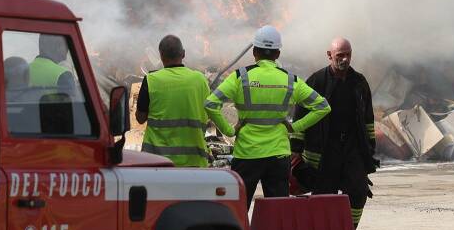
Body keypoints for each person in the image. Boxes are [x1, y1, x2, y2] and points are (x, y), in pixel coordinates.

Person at [206, 25, 331, 209]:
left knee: (238, 209)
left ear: (254, 52)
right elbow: (322, 107)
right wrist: (295, 126)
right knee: (278, 211)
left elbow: (210, 104)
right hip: (278, 155)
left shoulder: (241, 77)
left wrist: (229, 130)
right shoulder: (290, 80)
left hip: (247, 153)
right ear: (278, 54)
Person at [291, 37, 378, 230]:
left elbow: (368, 118)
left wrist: (369, 148)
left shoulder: (359, 82)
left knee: (358, 191)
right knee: (323, 195)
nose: (345, 59)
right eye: (340, 55)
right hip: (324, 149)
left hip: (352, 148)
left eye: (348, 55)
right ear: (329, 55)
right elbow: (299, 116)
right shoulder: (316, 81)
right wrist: (295, 150)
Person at [135, 35, 213, 167]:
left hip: (157, 161)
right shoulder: (200, 80)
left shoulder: (151, 80)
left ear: (161, 56)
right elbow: (209, 114)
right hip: (194, 160)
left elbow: (140, 118)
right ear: (183, 54)